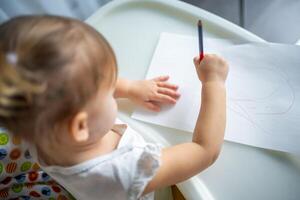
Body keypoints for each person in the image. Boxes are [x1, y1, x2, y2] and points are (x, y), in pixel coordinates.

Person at [0, 15, 228, 200]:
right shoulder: (126, 171)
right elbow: (204, 150)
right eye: (109, 90)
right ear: (80, 126)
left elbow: (73, 88)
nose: (114, 90)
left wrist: (129, 88)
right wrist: (213, 82)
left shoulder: (34, 124)